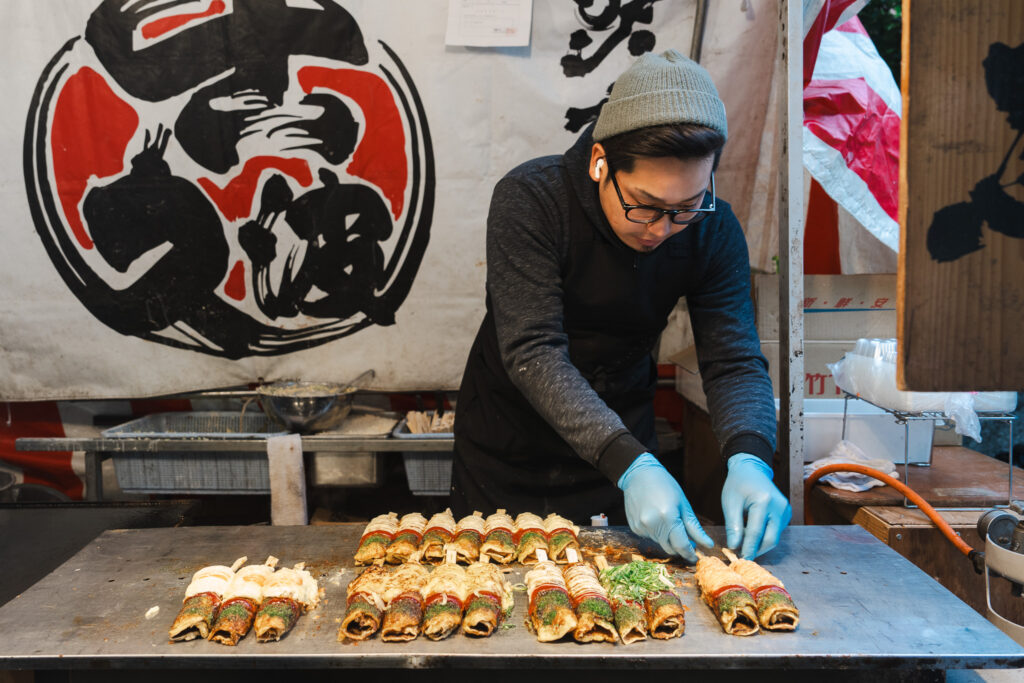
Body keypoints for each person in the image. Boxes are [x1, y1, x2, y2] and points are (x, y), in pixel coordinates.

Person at [450, 49, 790, 561]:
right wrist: (635, 464)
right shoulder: (533, 201)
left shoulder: (713, 228)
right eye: (645, 206)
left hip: (625, 444)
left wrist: (751, 456)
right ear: (599, 162)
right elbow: (533, 350)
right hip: (512, 446)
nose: (661, 229)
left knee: (616, 593)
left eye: (685, 208)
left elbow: (733, 359)